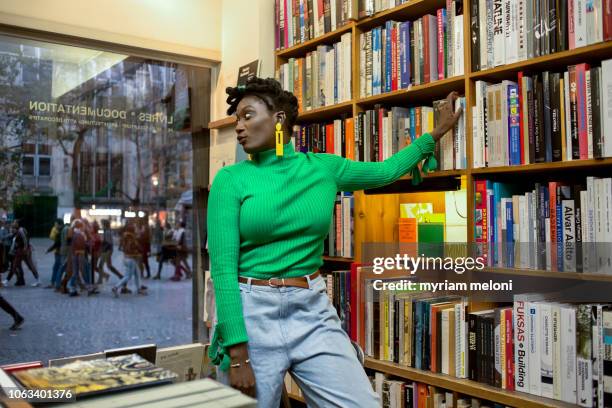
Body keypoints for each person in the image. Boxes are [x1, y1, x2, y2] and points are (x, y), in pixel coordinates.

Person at [207, 77, 462, 407]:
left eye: (248, 115)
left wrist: (435, 134)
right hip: (251, 311)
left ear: (279, 120)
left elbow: (385, 172)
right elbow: (223, 270)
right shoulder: (230, 180)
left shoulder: (323, 168)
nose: (239, 127)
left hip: (310, 309)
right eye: (237, 118)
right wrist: (238, 352)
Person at [112, 221, 147, 297]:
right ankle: (116, 287)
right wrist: (138, 251)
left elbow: (120, 248)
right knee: (128, 276)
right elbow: (136, 247)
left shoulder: (124, 237)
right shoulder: (132, 238)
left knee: (137, 273)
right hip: (131, 259)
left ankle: (139, 289)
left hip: (126, 258)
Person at [9, 220, 40, 287]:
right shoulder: (19, 230)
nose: (14, 223)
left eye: (15, 222)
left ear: (18, 224)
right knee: (26, 265)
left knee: (28, 265)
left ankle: (37, 280)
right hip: (22, 250)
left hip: (23, 250)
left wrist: (25, 248)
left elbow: (25, 239)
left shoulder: (21, 230)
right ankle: (37, 279)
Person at [46, 219, 63, 289]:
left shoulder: (60, 232)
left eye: (56, 225)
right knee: (59, 268)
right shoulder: (60, 231)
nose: (55, 226)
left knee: (57, 268)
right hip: (60, 252)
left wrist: (49, 250)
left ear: (60, 224)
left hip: (59, 252)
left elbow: (57, 244)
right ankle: (56, 283)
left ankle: (55, 283)